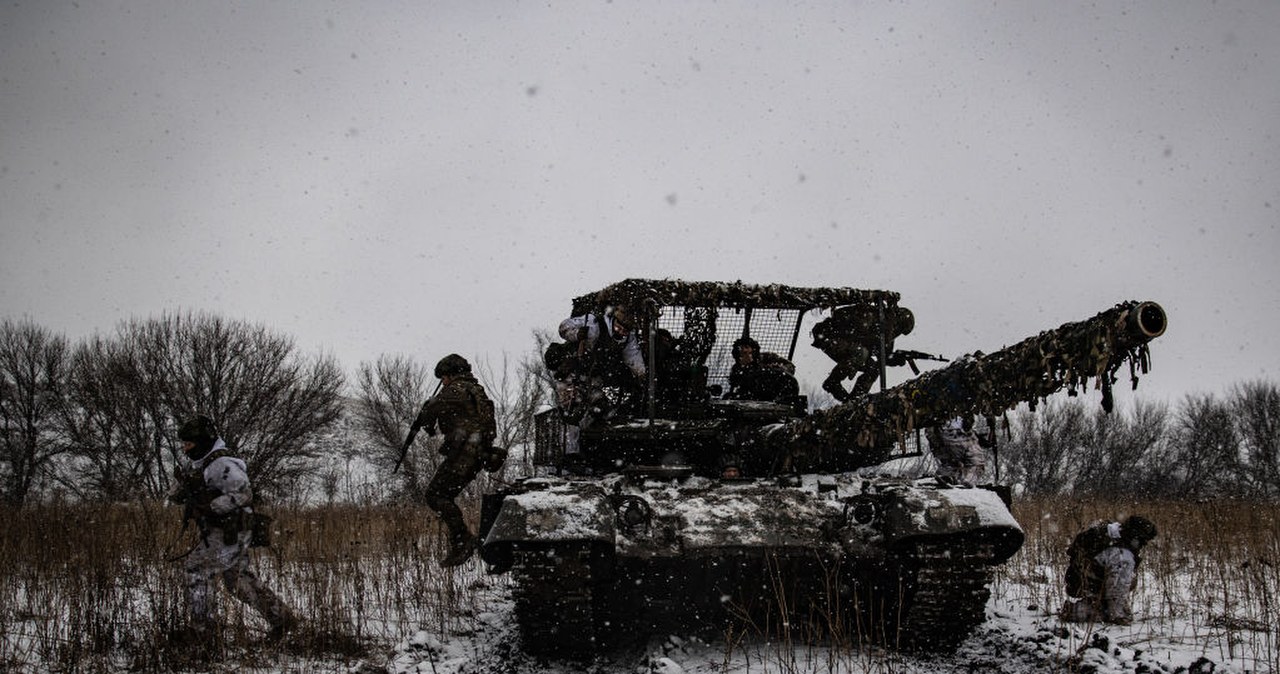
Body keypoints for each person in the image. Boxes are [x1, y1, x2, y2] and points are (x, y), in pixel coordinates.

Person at [168, 415, 297, 647]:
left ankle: (203, 632)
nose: (185, 449)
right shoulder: (202, 463)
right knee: (238, 580)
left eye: (189, 444)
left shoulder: (222, 463)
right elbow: (176, 494)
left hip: (229, 529)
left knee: (196, 571)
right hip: (226, 530)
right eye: (184, 445)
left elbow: (244, 493)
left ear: (202, 441)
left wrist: (212, 507)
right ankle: (284, 621)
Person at [403, 354, 500, 567]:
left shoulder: (455, 391)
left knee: (435, 495)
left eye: (444, 378)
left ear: (450, 374)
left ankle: (462, 540)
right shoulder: (477, 391)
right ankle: (462, 540)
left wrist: (427, 417)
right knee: (443, 494)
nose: (443, 383)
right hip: (478, 454)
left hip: (466, 454)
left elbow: (433, 410)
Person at [1060, 515, 1159, 625]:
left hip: (1077, 577)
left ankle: (1091, 605)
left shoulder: (1112, 532)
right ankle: (1079, 610)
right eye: (1144, 541)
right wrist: (1118, 615)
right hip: (1084, 582)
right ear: (1137, 538)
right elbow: (1117, 587)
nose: (1144, 545)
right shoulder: (1123, 556)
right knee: (1127, 585)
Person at [811, 304, 914, 401]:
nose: (897, 332)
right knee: (861, 352)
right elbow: (855, 330)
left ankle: (856, 400)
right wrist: (874, 338)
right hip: (830, 337)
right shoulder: (875, 316)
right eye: (899, 328)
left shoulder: (887, 332)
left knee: (873, 368)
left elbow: (883, 358)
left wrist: (897, 359)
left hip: (847, 345)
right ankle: (833, 382)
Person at [725, 336, 799, 403]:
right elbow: (736, 385)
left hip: (779, 392)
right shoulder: (736, 369)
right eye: (743, 353)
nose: (747, 355)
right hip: (754, 398)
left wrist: (772, 369)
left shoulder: (765, 358)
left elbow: (790, 367)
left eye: (749, 351)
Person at [925, 416, 989, 485]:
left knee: (951, 462)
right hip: (963, 439)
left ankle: (948, 474)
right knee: (976, 463)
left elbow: (931, 436)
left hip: (944, 439)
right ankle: (966, 478)